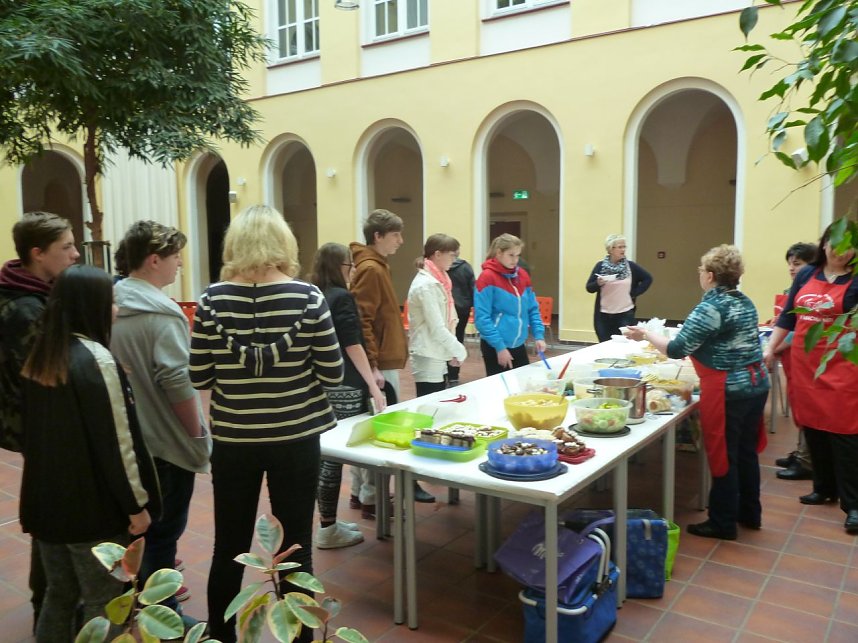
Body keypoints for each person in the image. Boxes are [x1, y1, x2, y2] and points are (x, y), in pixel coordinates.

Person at [189, 205, 344, 643]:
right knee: (296, 545)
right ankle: (300, 639)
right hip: (296, 438)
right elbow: (333, 374)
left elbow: (199, 376)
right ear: (283, 243)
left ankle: (221, 636)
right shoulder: (309, 298)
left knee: (228, 546)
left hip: (235, 439)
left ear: (234, 244)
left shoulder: (210, 301)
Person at [19, 265, 160, 641]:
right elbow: (118, 443)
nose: (115, 309)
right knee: (105, 602)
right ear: (92, 306)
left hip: (46, 506)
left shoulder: (42, 354)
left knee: (59, 595)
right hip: (90, 512)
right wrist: (137, 505)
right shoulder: (97, 359)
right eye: (111, 302)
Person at [626, 245, 769, 540]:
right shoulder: (744, 301)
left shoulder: (711, 307)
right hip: (755, 384)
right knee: (745, 452)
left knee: (724, 455)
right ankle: (749, 512)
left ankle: (723, 522)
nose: (700, 276)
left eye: (701, 271)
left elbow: (677, 349)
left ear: (711, 275)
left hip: (728, 389)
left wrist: (645, 334)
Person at [111, 221, 211, 615]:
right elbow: (176, 380)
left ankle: (133, 602)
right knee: (163, 535)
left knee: (136, 533)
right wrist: (196, 433)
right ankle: (163, 614)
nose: (180, 264)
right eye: (174, 257)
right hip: (166, 444)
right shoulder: (163, 314)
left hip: (129, 440)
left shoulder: (113, 304)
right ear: (154, 260)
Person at [0, 212, 79, 631]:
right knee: (54, 521)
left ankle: (52, 603)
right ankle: (48, 607)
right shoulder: (26, 309)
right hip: (42, 430)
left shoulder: (31, 292)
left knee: (53, 517)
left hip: (39, 428)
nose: (75, 253)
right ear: (37, 253)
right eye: (65, 246)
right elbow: (53, 378)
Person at [763, 223, 858, 535]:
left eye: (848, 246)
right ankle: (823, 487)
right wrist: (771, 347)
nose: (840, 251)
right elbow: (789, 315)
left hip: (842, 364)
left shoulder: (856, 280)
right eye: (835, 243)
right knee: (813, 424)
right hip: (806, 363)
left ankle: (853, 504)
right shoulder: (806, 275)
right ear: (824, 244)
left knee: (845, 432)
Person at [350, 209, 435, 505]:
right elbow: (362, 320)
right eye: (396, 234)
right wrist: (372, 364)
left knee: (370, 421)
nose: (401, 240)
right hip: (379, 361)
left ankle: (361, 491)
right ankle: (372, 495)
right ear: (378, 236)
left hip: (382, 357)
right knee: (380, 425)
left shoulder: (375, 265)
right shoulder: (371, 269)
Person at [310, 242, 386, 547]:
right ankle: (327, 528)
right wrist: (371, 384)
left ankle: (328, 521)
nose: (353, 271)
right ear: (337, 267)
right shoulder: (341, 297)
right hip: (345, 382)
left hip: (322, 382)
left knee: (326, 452)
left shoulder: (316, 294)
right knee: (334, 456)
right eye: (349, 266)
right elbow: (353, 344)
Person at [770, 242, 817, 481]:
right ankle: (802, 453)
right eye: (789, 263)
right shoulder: (796, 288)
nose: (792, 268)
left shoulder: (814, 292)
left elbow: (797, 327)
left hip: (803, 355)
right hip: (792, 357)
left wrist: (775, 346)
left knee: (807, 407)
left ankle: (807, 460)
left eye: (797, 264)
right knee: (798, 404)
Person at [474, 233, 545, 376]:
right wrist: (500, 347)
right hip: (495, 345)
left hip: (518, 343)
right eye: (511, 255)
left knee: (523, 385)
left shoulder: (522, 275)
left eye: (518, 255)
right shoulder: (487, 277)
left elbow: (532, 308)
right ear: (499, 253)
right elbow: (482, 318)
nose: (515, 260)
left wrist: (539, 335)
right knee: (500, 390)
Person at [407, 234, 468, 396]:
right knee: (428, 404)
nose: (454, 259)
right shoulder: (426, 285)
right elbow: (437, 327)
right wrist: (459, 349)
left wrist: (452, 350)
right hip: (428, 353)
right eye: (452, 255)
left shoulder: (439, 281)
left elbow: (448, 320)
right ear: (437, 254)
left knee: (437, 401)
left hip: (436, 351)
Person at [586, 233, 652, 342]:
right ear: (611, 249)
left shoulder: (630, 266)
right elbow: (589, 288)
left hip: (625, 314)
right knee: (605, 345)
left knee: (625, 345)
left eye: (624, 246)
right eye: (620, 247)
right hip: (603, 316)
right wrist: (598, 283)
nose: (623, 249)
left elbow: (648, 279)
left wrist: (634, 293)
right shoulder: (600, 266)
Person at [446, 251, 475, 387]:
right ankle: (453, 375)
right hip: (462, 309)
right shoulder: (466, 267)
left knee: (444, 340)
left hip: (446, 309)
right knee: (458, 339)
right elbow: (473, 289)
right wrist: (471, 304)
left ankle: (443, 373)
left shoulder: (441, 266)